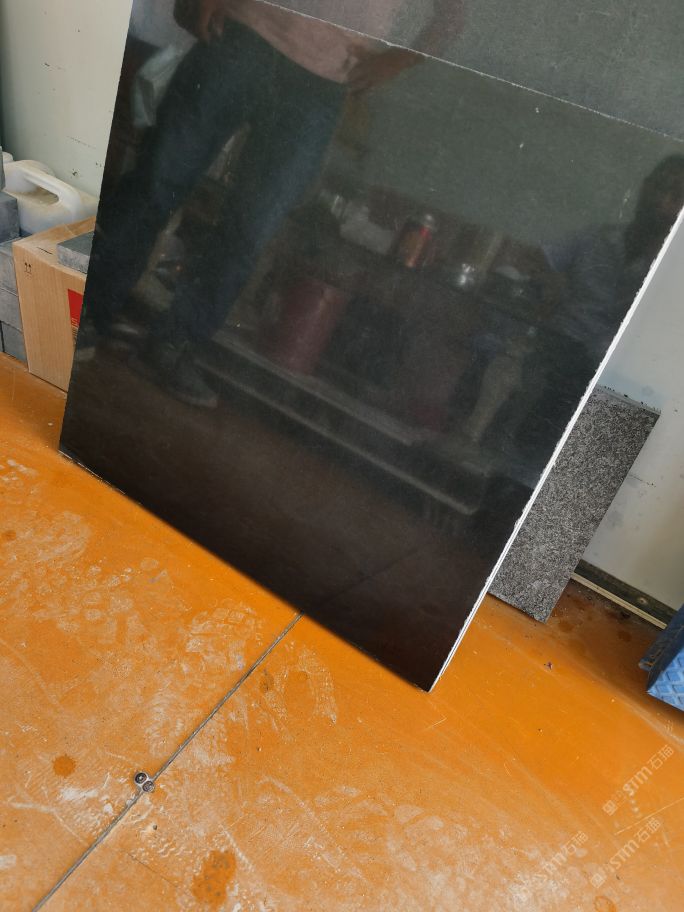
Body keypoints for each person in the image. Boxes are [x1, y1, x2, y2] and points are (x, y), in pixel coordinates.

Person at [84, 0, 464, 407]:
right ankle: (87, 311)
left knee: (251, 227)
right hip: (242, 34)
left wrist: (396, 60)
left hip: (323, 84)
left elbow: (454, 16)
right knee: (158, 178)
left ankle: (173, 345)